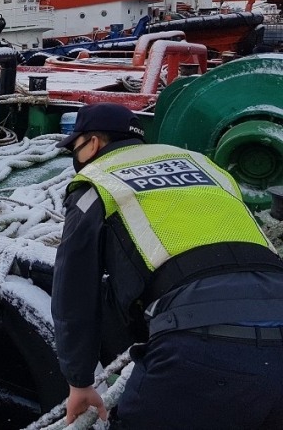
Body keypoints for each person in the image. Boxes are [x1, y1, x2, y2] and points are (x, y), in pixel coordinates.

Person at [51, 102, 283, 429]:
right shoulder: (205, 165)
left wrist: (79, 382)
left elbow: (74, 291)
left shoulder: (97, 181)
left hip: (197, 340)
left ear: (92, 144)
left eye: (74, 148)